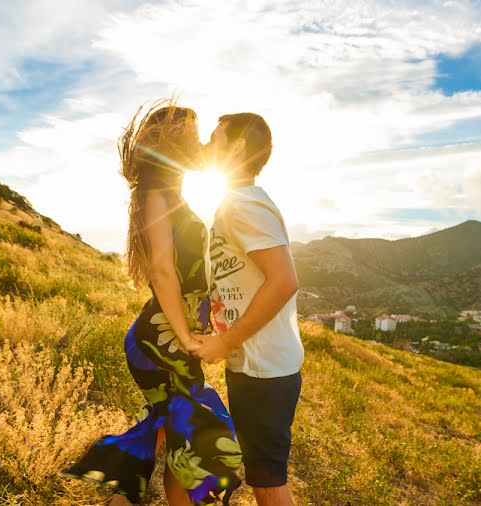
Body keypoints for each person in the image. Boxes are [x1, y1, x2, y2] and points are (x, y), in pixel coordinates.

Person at [60, 101, 243, 506]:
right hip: (160, 340)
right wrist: (186, 336)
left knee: (173, 429)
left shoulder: (171, 191)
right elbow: (162, 271)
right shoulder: (156, 192)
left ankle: (121, 498)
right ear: (175, 141)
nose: (199, 143)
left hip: (171, 337)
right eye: (193, 136)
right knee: (204, 433)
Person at [188, 113, 304, 506]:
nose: (205, 145)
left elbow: (285, 281)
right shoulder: (234, 203)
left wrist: (226, 342)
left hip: (265, 369)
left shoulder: (244, 205)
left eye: (213, 137)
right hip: (254, 365)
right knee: (260, 473)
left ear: (236, 147)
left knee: (267, 481)